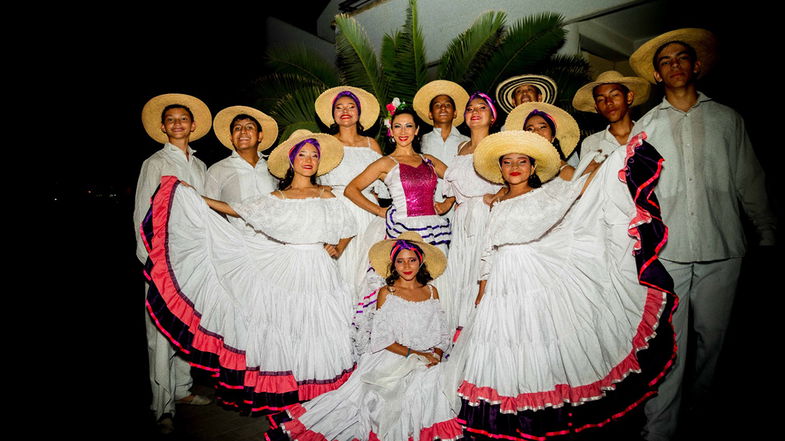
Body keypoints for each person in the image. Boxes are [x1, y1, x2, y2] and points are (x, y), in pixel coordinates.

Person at [442, 130, 677, 440]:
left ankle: (544, 409)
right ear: (500, 169)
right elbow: (489, 246)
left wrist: (609, 166)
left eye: (522, 161)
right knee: (506, 344)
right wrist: (483, 285)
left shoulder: (547, 195)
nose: (515, 167)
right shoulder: (496, 203)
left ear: (532, 166)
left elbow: (578, 193)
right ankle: (512, 410)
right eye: (508, 162)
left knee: (538, 341)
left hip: (534, 276)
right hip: (503, 284)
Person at [142, 129, 358, 417]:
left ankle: (323, 393)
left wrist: (339, 248)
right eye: (302, 154)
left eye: (314, 155)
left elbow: (348, 225)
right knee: (291, 330)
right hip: (288, 268)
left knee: (322, 329)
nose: (309, 160)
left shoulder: (327, 194)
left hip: (320, 271)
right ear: (292, 161)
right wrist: (193, 197)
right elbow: (236, 210)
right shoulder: (277, 197)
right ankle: (294, 393)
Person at [629, 28, 778, 441]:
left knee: (714, 343)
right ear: (657, 75)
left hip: (723, 245)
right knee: (668, 345)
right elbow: (634, 193)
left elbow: (749, 178)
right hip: (668, 253)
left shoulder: (727, 118)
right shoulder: (647, 125)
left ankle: (703, 414)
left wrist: (766, 231)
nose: (674, 66)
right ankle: (660, 428)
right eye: (665, 62)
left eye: (681, 59)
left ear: (695, 66)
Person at [264, 232, 462, 441]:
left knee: (434, 386)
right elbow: (382, 338)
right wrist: (416, 354)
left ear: (420, 262)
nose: (406, 266)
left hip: (427, 356)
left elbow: (441, 331)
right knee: (383, 398)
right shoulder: (388, 292)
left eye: (412, 260)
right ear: (393, 265)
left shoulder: (431, 291)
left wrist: (437, 355)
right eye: (400, 261)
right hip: (395, 355)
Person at [134, 93, 213, 433]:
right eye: (172, 120)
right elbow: (141, 212)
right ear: (163, 127)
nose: (178, 123)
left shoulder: (199, 166)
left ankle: (182, 390)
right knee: (160, 335)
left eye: (184, 119)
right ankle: (161, 406)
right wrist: (149, 259)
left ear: (193, 126)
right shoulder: (155, 163)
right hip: (162, 259)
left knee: (186, 326)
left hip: (193, 258)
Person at [344, 105, 452, 254]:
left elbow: (458, 180)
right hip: (401, 228)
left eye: (408, 126)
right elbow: (350, 189)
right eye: (397, 126)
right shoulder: (385, 162)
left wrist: (448, 202)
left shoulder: (429, 160)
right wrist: (379, 210)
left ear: (416, 130)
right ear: (391, 131)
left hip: (433, 229)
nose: (403, 131)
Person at [314, 86, 386, 302]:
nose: (345, 110)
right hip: (336, 213)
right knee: (338, 273)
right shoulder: (324, 144)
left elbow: (385, 180)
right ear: (333, 113)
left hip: (368, 215)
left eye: (351, 106)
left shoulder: (370, 144)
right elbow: (310, 179)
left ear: (359, 112)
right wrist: (324, 189)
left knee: (365, 273)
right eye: (339, 107)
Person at [439, 91, 502, 336]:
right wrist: (448, 203)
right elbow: (460, 182)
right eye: (470, 109)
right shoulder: (461, 146)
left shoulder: (498, 145)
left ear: (492, 116)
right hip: (462, 217)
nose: (474, 112)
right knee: (461, 271)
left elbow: (515, 176)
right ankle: (459, 330)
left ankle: (482, 331)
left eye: (481, 108)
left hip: (486, 216)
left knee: (481, 270)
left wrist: (499, 194)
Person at [204, 105, 278, 233]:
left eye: (249, 127)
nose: (243, 131)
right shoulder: (217, 170)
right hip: (236, 245)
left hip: (274, 242)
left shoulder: (273, 169)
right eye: (237, 128)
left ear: (260, 136)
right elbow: (207, 211)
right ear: (232, 138)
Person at [571, 70, 651, 179]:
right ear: (596, 107)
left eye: (614, 95)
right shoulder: (591, 143)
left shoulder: (649, 133)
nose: (608, 102)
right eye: (600, 99)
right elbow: (585, 185)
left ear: (629, 97)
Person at [503, 101, 580, 180]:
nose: (536, 131)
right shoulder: (516, 170)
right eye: (530, 129)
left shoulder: (566, 171)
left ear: (553, 137)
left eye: (542, 127)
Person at [413, 79, 471, 168]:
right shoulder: (420, 141)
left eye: (448, 105)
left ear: (455, 113)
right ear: (430, 114)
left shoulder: (468, 142)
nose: (443, 108)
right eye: (437, 105)